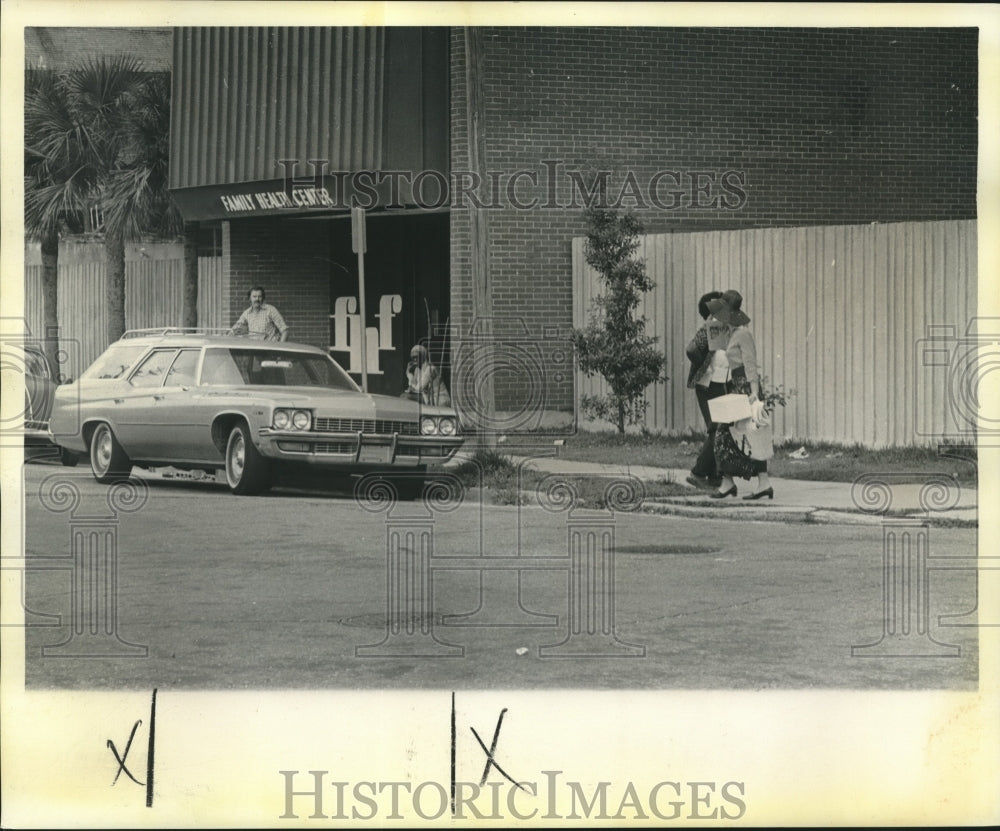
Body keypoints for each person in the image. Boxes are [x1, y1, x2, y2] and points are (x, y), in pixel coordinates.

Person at [706, 290, 774, 501]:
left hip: (745, 389)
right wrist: (711, 323)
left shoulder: (743, 334)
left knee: (729, 434)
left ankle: (730, 482)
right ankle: (760, 483)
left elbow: (750, 364)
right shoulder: (733, 333)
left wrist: (754, 393)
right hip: (737, 387)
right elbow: (714, 342)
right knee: (746, 435)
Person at [685, 290, 724, 490]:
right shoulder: (710, 327)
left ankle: (715, 475)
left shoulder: (722, 328)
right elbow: (691, 349)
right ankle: (698, 473)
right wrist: (704, 367)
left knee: (720, 429)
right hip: (707, 385)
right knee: (717, 428)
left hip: (720, 385)